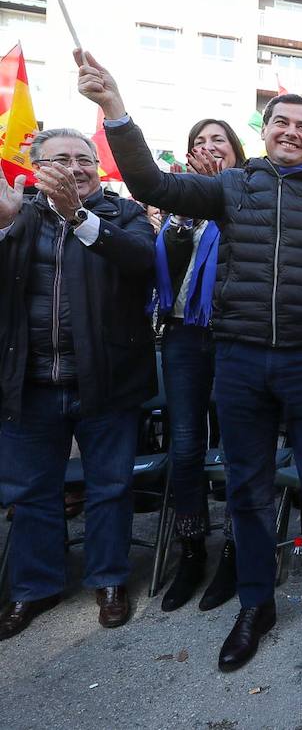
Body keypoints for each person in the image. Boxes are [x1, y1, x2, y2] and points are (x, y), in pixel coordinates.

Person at [76, 49, 302, 672]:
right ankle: (256, 605)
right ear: (263, 131)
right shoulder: (233, 186)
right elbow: (151, 186)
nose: (291, 132)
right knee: (247, 488)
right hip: (237, 362)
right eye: (281, 123)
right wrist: (115, 110)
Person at [0, 128, 156, 640]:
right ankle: (35, 586)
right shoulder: (16, 213)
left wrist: (76, 215)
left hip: (106, 380)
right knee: (31, 491)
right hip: (29, 382)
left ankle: (109, 579)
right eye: (61, 159)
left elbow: (141, 263)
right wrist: (4, 225)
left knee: (109, 486)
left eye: (84, 159)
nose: (75, 167)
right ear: (38, 166)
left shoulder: (122, 214)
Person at [156, 119, 246, 613]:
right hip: (183, 335)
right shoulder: (180, 207)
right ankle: (191, 549)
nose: (208, 148)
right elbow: (165, 269)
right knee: (186, 444)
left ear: (236, 152)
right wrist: (184, 218)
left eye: (219, 141)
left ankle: (234, 551)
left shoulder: (249, 198)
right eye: (199, 142)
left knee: (236, 447)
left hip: (233, 335)